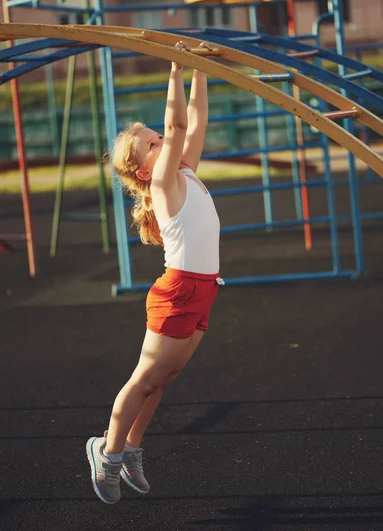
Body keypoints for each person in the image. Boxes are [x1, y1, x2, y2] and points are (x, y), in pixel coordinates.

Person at [86, 41, 223, 504]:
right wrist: (177, 66)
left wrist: (200, 71)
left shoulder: (185, 170)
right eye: (152, 144)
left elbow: (196, 122)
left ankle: (130, 448)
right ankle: (105, 452)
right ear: (143, 172)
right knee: (144, 378)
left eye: (158, 139)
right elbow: (180, 122)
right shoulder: (165, 183)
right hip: (179, 291)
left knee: (163, 381)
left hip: (203, 289)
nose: (163, 142)